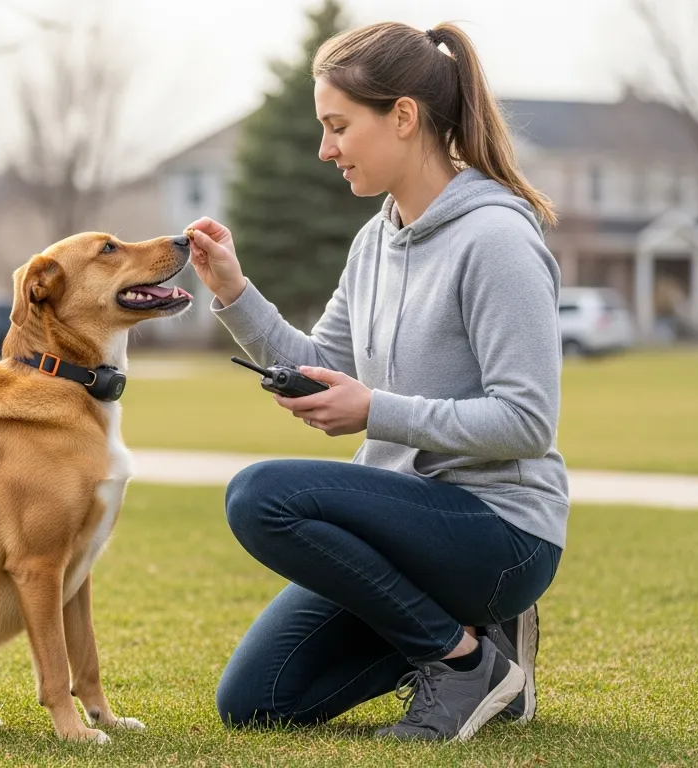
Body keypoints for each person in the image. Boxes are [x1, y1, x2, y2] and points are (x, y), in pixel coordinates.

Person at [185, 20, 568, 742]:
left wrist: (376, 411)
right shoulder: (376, 240)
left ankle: (460, 664)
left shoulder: (496, 239)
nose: (325, 149)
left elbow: (527, 422)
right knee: (259, 701)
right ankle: (490, 661)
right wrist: (236, 295)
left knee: (260, 496)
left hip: (499, 531)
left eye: (338, 126)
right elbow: (321, 357)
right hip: (408, 529)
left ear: (403, 116)